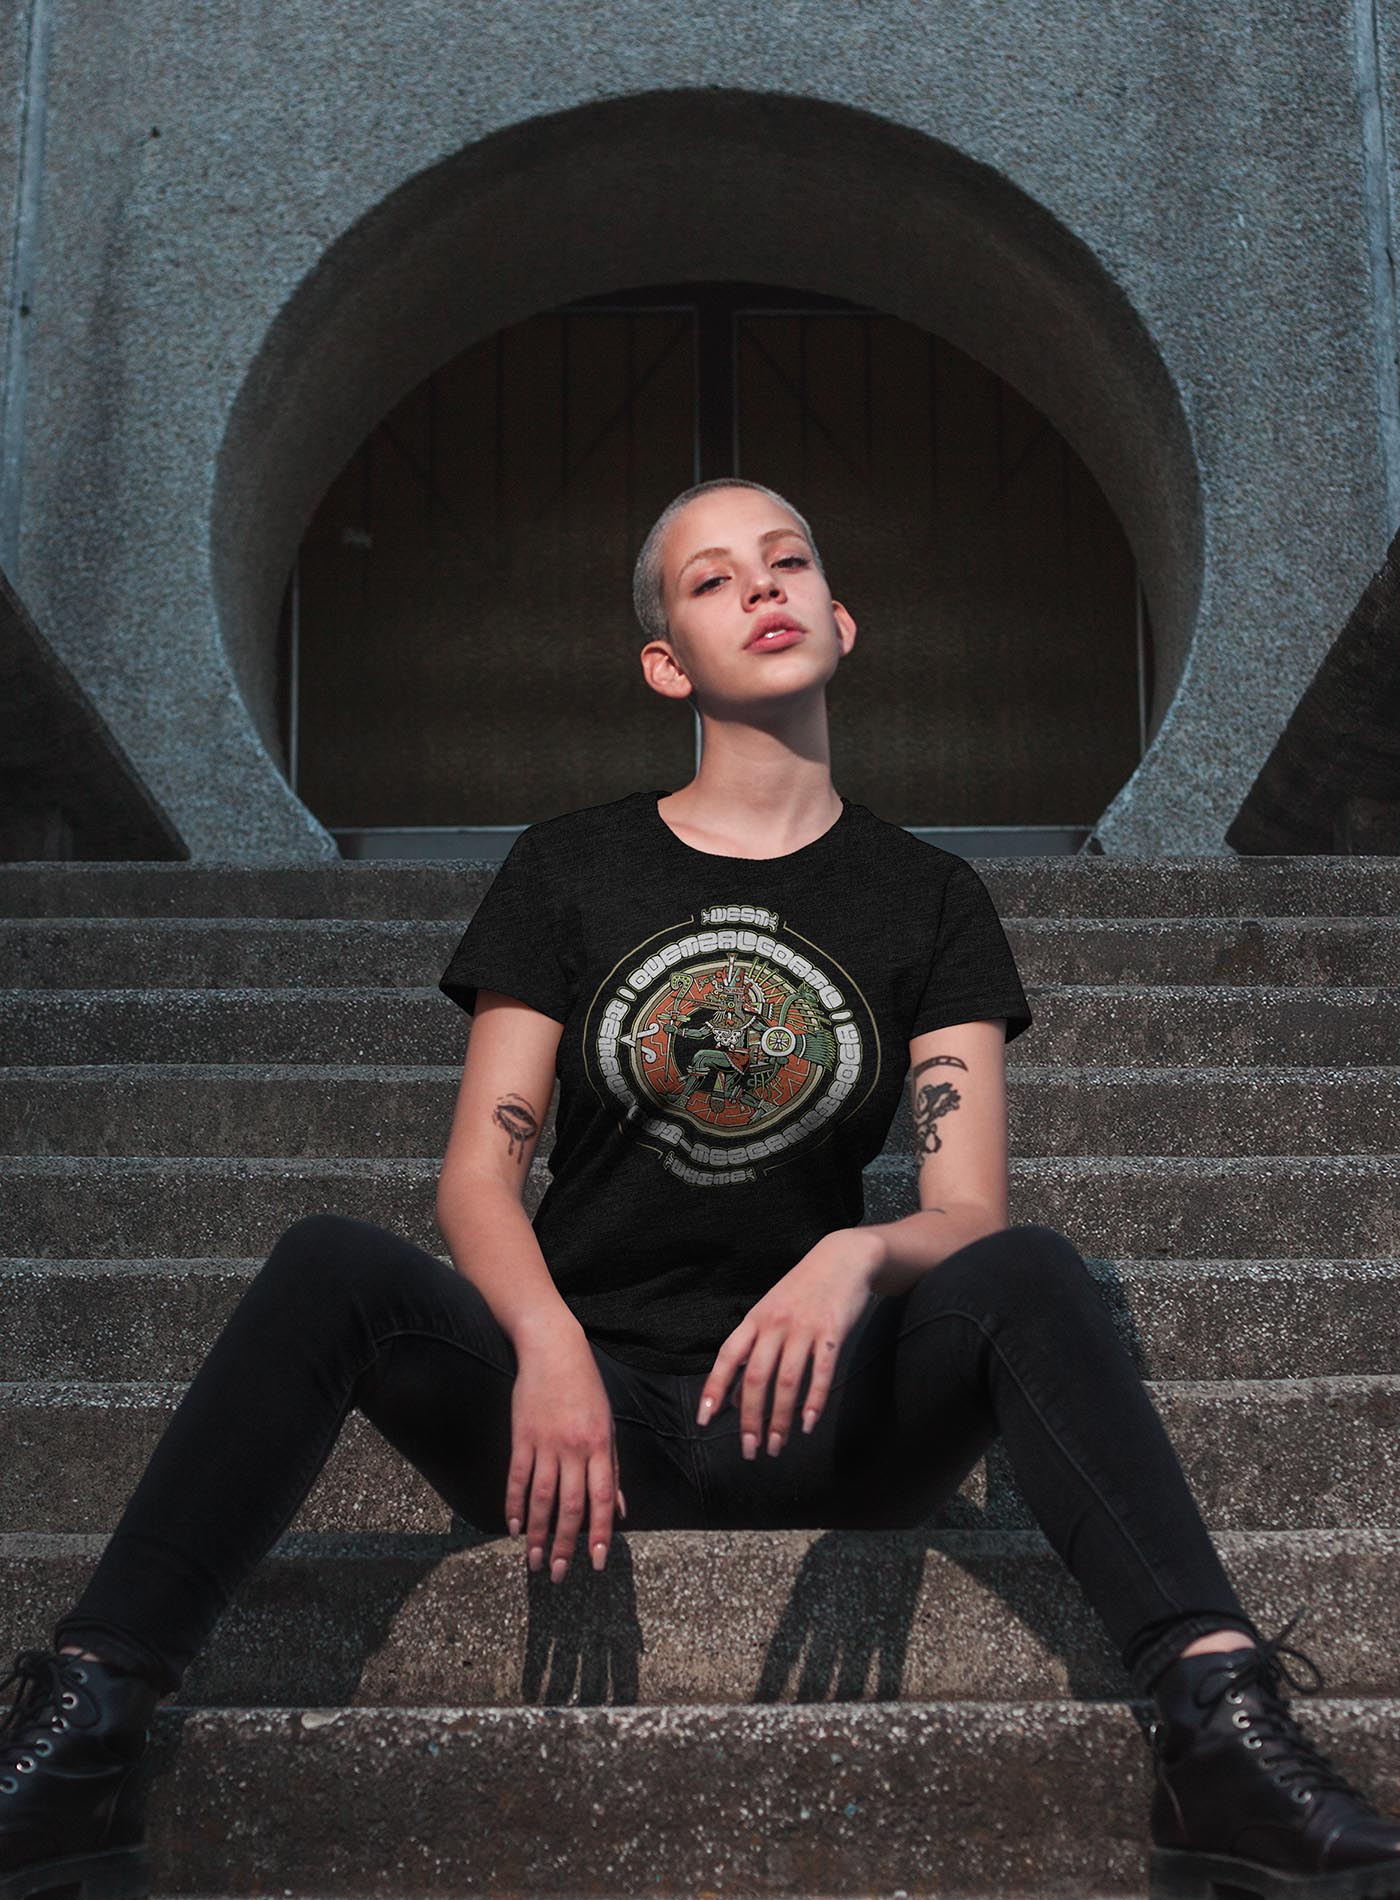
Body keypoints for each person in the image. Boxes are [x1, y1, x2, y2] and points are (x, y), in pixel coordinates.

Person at [2, 479, 1396, 1900]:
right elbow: (479, 1172)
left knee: (1028, 1273)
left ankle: (1219, 1734)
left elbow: (969, 1205)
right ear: (668, 660)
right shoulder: (571, 868)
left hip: (809, 1417)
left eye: (787, 563)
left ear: (841, 623)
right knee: (326, 1265)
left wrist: (859, 1262)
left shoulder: (928, 899)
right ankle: (88, 1727)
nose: (762, 590)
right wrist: (546, 1347)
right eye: (714, 580)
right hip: (576, 1429)